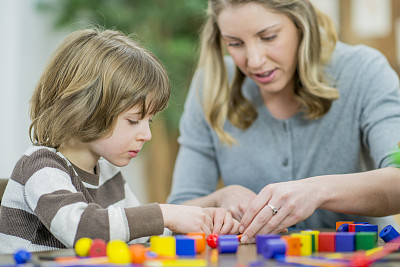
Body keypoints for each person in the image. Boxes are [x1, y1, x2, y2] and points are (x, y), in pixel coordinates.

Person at [167, 0, 400, 244]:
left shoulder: (364, 70)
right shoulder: (212, 85)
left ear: (301, 24)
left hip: (370, 256)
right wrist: (218, 199)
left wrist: (317, 191)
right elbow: (179, 209)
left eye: (268, 37)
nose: (254, 60)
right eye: (235, 44)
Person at [0, 28, 239, 253]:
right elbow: (83, 230)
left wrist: (198, 218)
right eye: (134, 120)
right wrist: (166, 214)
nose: (147, 135)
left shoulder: (109, 172)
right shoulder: (40, 166)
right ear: (84, 110)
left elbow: (137, 233)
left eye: (150, 121)